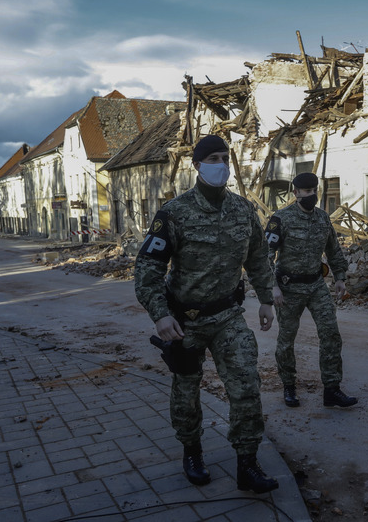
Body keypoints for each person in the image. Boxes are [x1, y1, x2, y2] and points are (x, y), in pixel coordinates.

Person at [134, 134, 280, 494]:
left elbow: (259, 258)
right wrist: (160, 314)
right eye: (213, 158)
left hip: (228, 317)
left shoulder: (244, 210)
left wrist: (266, 299)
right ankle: (192, 452)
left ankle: (247, 463)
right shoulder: (175, 212)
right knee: (186, 389)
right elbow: (148, 269)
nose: (221, 165)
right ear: (197, 165)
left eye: (224, 158)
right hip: (185, 322)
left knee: (246, 385)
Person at [265, 172, 357, 409]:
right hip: (289, 288)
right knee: (286, 340)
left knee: (330, 334)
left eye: (314, 190)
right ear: (295, 193)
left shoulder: (323, 219)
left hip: (316, 285)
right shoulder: (280, 219)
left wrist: (340, 278)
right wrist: (273, 286)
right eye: (306, 191)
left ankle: (332, 389)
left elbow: (334, 250)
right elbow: (266, 255)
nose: (311, 195)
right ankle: (288, 387)